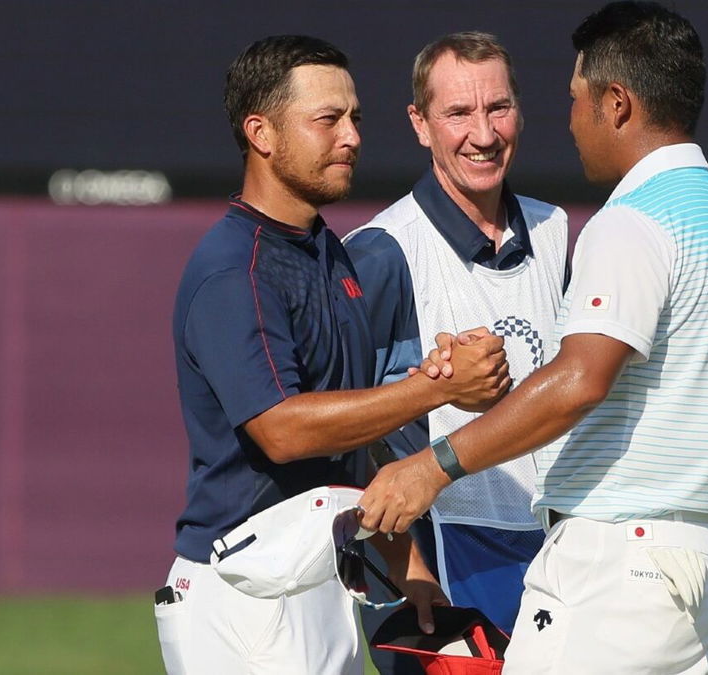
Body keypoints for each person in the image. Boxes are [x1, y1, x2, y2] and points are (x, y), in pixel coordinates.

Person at [359, 3, 708, 672]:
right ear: (422, 123)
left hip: (632, 567)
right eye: (458, 113)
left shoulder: (628, 220)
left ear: (616, 105)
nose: (570, 119)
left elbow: (581, 378)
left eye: (575, 100)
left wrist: (433, 464)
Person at [155, 35, 513, 675]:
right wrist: (436, 389)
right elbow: (284, 429)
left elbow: (358, 440)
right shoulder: (234, 268)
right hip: (241, 596)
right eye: (328, 120)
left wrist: (411, 570)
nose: (351, 136)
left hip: (321, 586)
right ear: (261, 133)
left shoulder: (329, 251)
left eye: (355, 118)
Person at [343, 31, 569, 637]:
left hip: (563, 560)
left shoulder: (557, 232)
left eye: (498, 107)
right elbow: (337, 431)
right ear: (420, 124)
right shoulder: (380, 254)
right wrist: (406, 565)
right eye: (458, 113)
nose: (485, 134)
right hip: (438, 567)